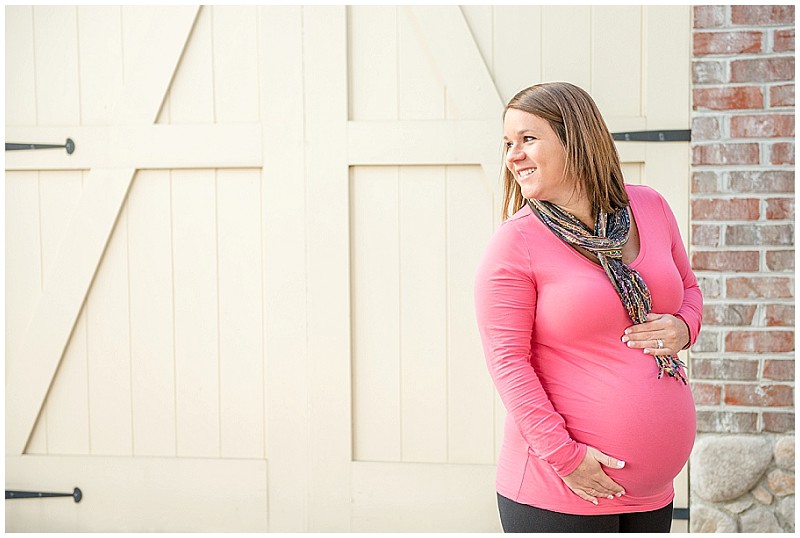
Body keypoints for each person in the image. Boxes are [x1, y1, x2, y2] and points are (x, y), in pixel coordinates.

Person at [474, 82, 702, 533]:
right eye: (508, 144)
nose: (512, 156)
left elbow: (690, 290)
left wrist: (684, 328)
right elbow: (508, 364)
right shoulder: (515, 243)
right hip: (560, 490)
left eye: (528, 139)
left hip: (653, 496)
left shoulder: (650, 206)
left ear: (576, 138)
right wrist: (566, 458)